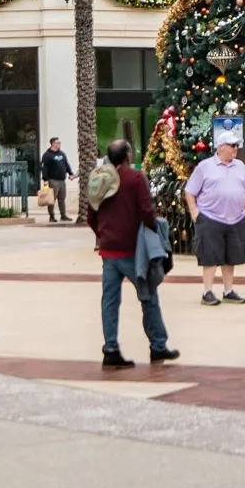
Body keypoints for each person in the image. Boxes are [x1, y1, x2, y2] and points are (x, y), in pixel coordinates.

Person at [87, 138, 177, 368]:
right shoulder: (135, 178)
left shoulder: (100, 177)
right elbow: (147, 211)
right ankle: (158, 346)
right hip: (132, 251)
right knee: (148, 297)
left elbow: (91, 215)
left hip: (109, 251)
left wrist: (103, 234)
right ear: (128, 155)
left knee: (109, 301)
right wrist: (155, 232)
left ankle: (110, 348)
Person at [185, 129, 245, 305]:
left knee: (231, 256)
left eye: (236, 146)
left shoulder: (239, 166)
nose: (235, 149)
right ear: (221, 147)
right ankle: (207, 292)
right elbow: (190, 191)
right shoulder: (205, 166)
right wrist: (195, 212)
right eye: (232, 146)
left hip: (236, 219)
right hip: (210, 217)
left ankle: (228, 290)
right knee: (210, 256)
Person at [38, 137, 73, 224]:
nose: (59, 144)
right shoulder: (47, 155)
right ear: (53, 143)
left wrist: (70, 173)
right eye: (57, 143)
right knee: (52, 199)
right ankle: (52, 216)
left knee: (62, 198)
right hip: (53, 180)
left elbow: (66, 164)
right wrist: (45, 179)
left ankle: (63, 215)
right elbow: (44, 168)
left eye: (59, 143)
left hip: (62, 180)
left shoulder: (62, 154)